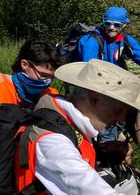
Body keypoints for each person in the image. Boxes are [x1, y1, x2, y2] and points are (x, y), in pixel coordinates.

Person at [14, 59, 140, 195]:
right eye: (119, 110)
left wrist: (101, 151)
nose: (121, 119)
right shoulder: (54, 143)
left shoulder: (65, 120)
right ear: (94, 99)